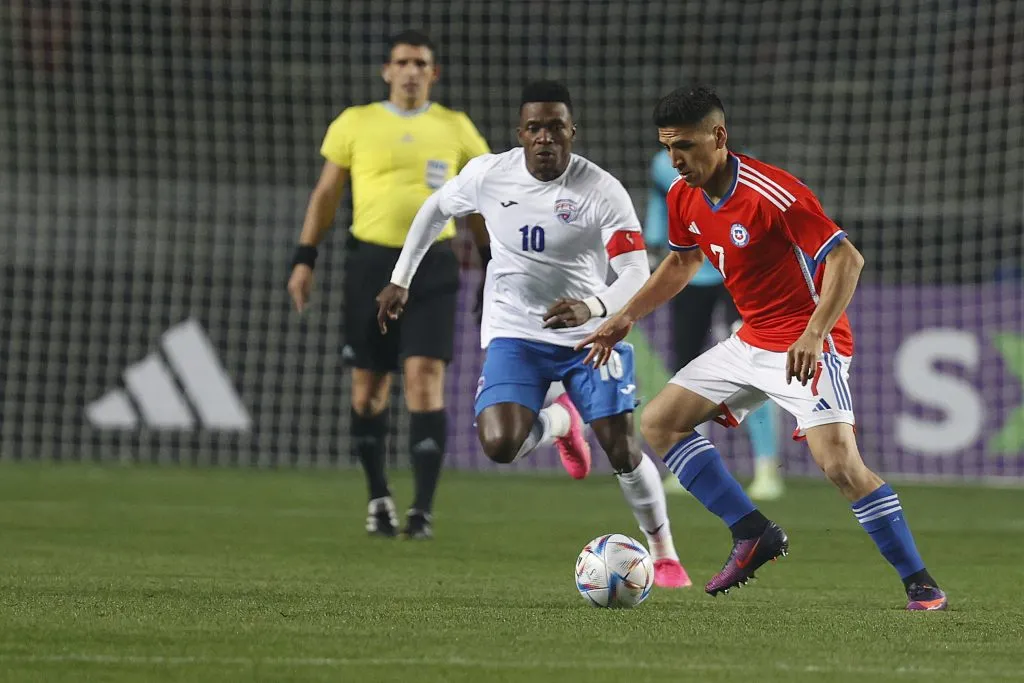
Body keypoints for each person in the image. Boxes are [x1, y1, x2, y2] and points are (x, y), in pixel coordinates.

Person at [577, 85, 947, 610]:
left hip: (808, 341)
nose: (676, 159)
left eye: (684, 144)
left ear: (718, 136)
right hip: (749, 339)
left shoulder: (774, 193)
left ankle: (921, 582)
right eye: (667, 147)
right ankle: (752, 532)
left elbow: (847, 261)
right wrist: (624, 317)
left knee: (840, 465)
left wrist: (815, 333)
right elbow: (683, 262)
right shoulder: (684, 194)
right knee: (659, 422)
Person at [376, 81, 691, 588]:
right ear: (520, 134)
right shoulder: (488, 175)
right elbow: (435, 208)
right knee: (500, 444)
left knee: (621, 448)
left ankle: (665, 552)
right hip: (514, 331)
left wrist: (590, 306)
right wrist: (400, 279)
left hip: (590, 336)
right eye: (535, 128)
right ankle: (562, 425)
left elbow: (635, 271)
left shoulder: (601, 189)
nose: (546, 137)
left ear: (572, 131)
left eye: (555, 127)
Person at [286, 30, 491, 540]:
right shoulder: (355, 122)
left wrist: (493, 264)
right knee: (368, 389)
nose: (411, 71)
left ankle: (421, 509)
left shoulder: (456, 127)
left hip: (434, 265)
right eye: (402, 62)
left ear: (433, 73)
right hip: (370, 265)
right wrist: (304, 258)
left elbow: (483, 202)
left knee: (424, 377)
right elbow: (327, 193)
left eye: (421, 63)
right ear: (387, 70)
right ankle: (378, 498)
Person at [645, 148, 783, 500]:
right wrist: (653, 247)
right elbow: (662, 208)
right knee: (687, 373)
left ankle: (767, 469)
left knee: (756, 367)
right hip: (690, 278)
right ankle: (692, 466)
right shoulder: (663, 167)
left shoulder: (741, 166)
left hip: (737, 276)